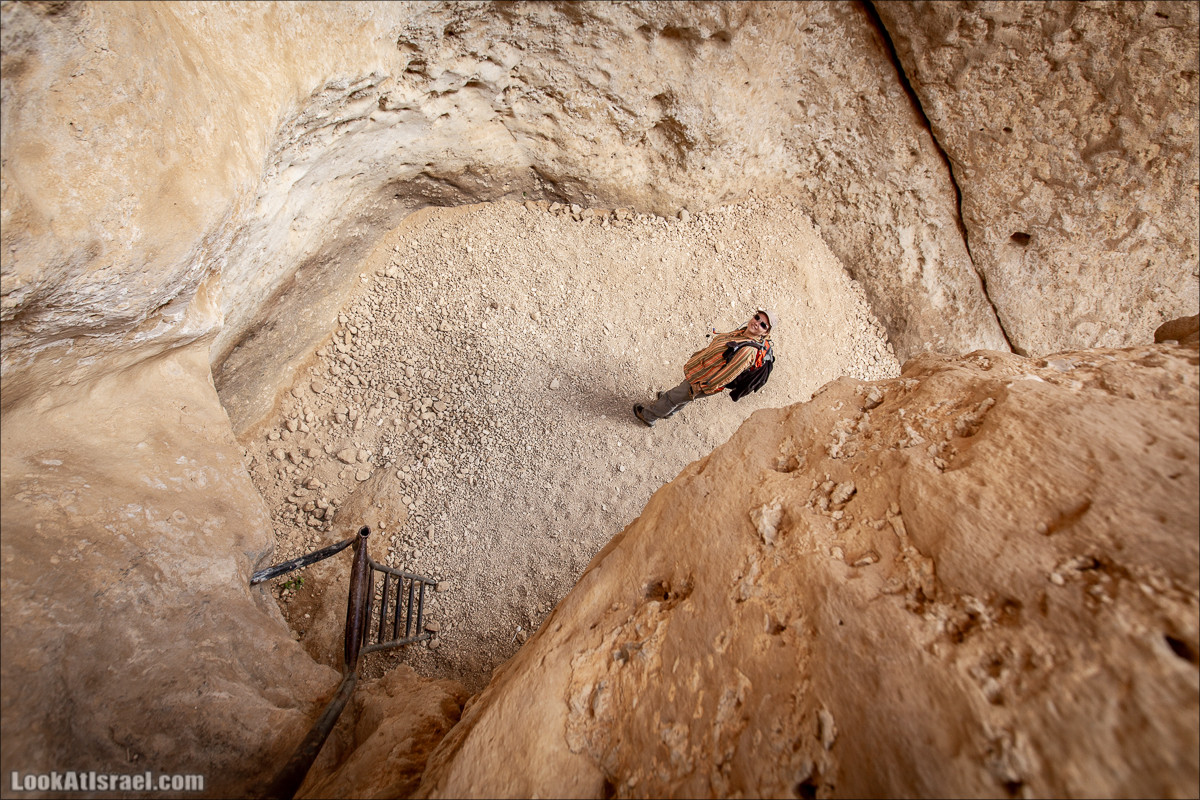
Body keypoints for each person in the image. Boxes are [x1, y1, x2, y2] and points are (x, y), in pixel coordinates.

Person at [634, 308, 776, 427]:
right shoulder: (743, 333)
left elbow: (727, 375)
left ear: (765, 333)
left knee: (673, 397)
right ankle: (668, 411)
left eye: (763, 325)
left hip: (705, 380)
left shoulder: (748, 351)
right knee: (683, 396)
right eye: (757, 317)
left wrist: (702, 387)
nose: (757, 323)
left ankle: (648, 416)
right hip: (702, 371)